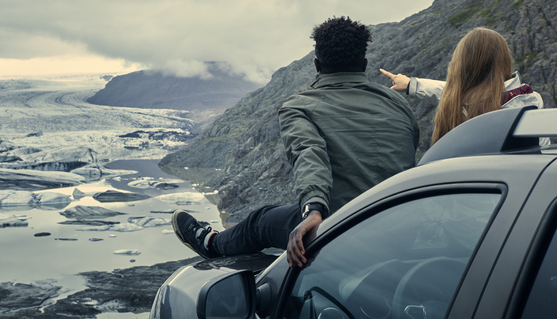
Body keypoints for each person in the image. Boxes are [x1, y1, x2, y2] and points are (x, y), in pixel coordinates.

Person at [172, 16, 420, 268]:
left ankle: (210, 243)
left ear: (316, 64)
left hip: (338, 222)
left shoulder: (299, 106)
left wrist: (314, 210)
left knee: (259, 221)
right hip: (399, 222)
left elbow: (308, 153)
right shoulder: (397, 103)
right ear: (364, 63)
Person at [380, 27, 546, 145]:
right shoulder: (530, 100)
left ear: (463, 66)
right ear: (504, 61)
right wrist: (412, 85)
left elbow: (456, 94)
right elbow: (457, 93)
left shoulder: (465, 109)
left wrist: (412, 85)